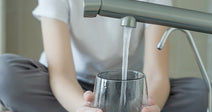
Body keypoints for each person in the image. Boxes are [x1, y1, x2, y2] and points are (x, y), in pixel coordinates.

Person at [0, 0, 208, 112]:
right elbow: (61, 73)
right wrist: (79, 107)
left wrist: (148, 107)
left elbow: (155, 75)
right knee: (5, 73)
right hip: (69, 86)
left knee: (197, 92)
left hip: (127, 92)